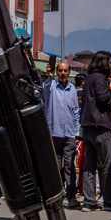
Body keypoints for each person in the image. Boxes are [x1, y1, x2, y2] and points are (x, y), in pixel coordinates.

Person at [80, 53, 111, 210]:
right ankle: (109, 200)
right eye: (109, 62)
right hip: (101, 127)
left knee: (89, 166)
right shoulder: (100, 79)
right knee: (107, 164)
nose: (110, 64)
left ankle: (89, 201)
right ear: (104, 63)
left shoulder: (88, 78)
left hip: (87, 127)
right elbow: (104, 99)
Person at [43, 61, 82, 207]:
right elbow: (45, 87)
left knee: (69, 166)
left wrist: (77, 131)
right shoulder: (51, 87)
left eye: (66, 71)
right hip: (54, 133)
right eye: (60, 70)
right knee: (56, 167)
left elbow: (76, 111)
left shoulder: (73, 89)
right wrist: (48, 75)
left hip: (69, 134)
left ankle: (71, 196)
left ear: (69, 72)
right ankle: (57, 196)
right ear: (57, 72)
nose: (63, 73)